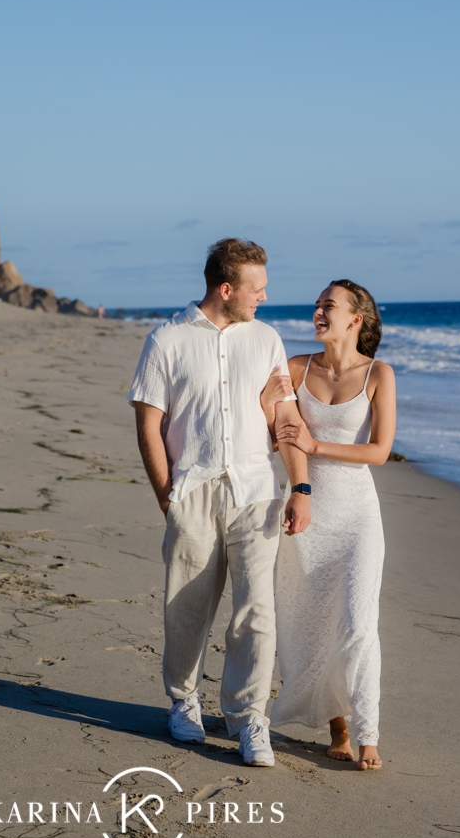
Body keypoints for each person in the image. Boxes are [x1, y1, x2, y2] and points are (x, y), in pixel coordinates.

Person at [128, 238, 308, 768]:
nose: (265, 297)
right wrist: (168, 496)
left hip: (256, 490)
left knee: (257, 610)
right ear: (226, 289)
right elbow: (148, 425)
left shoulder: (267, 339)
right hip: (193, 490)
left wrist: (299, 487)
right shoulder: (167, 340)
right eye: (258, 289)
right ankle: (183, 700)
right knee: (186, 607)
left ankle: (248, 716)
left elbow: (284, 419)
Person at [261, 280, 396, 770]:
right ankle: (337, 727)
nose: (319, 311)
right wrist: (269, 411)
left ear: (355, 319)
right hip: (306, 513)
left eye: (329, 305)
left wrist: (317, 446)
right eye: (318, 304)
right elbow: (275, 428)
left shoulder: (379, 374)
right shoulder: (296, 369)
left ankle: (368, 733)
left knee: (360, 623)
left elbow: (379, 451)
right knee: (310, 625)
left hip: (358, 515)